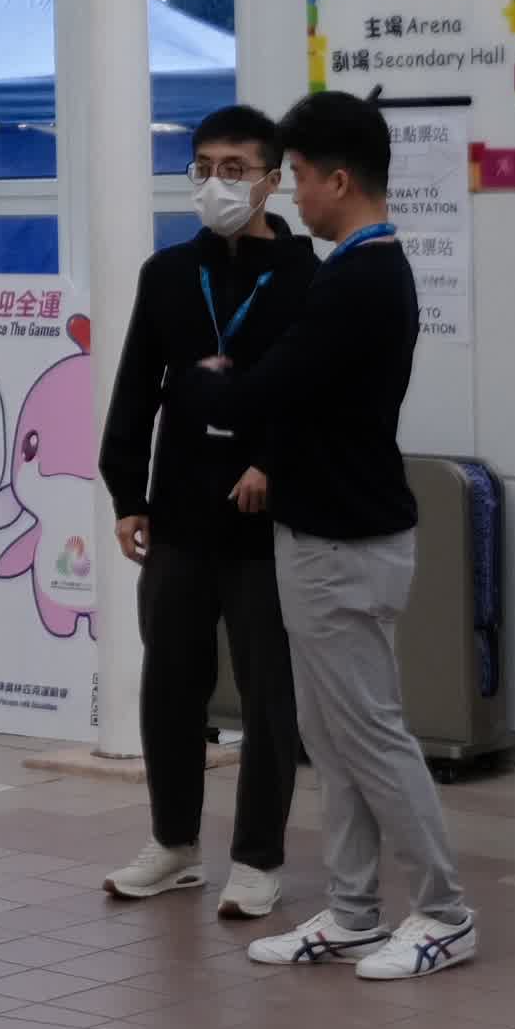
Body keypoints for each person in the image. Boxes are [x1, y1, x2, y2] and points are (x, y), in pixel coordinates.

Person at [228, 90, 473, 979]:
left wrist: (218, 382)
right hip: (324, 527)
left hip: (344, 540)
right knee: (331, 736)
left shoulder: (363, 275)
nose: (290, 193)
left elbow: (276, 385)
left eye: (294, 175)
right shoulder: (354, 270)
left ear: (337, 178)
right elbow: (309, 402)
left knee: (369, 733)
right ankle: (353, 910)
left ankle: (444, 910)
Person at [98, 104, 316, 921]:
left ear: (270, 179)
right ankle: (175, 845)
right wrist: (127, 495)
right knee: (169, 686)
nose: (217, 182)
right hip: (179, 515)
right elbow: (134, 389)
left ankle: (257, 858)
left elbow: (320, 396)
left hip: (266, 524)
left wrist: (274, 462)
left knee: (268, 698)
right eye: (203, 167)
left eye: (234, 167)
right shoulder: (167, 275)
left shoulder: (306, 277)